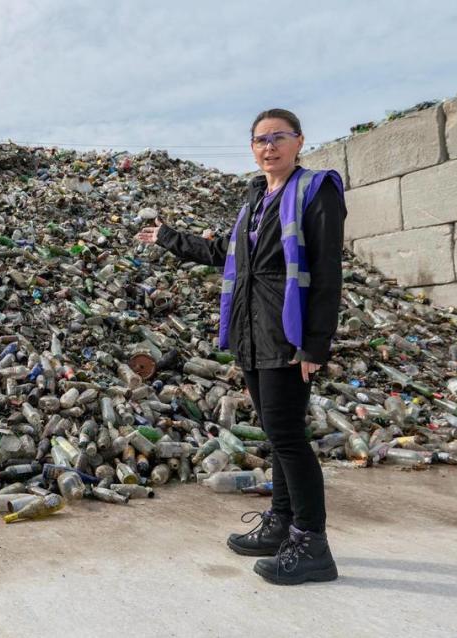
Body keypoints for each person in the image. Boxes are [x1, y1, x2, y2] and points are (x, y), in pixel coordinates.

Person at [136, 108, 347, 585]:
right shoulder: (254, 199)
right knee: (276, 434)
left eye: (278, 137)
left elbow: (328, 271)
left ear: (299, 141)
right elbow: (225, 255)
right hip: (251, 331)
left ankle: (313, 544)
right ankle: (280, 525)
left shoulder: (316, 192)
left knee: (289, 437)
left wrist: (315, 345)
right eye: (259, 140)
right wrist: (169, 238)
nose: (268, 147)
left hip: (287, 333)